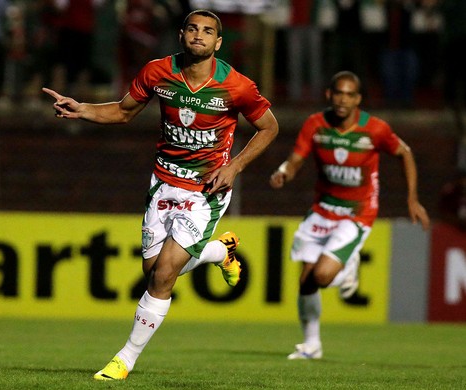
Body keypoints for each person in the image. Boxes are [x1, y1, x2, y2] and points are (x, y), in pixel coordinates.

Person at [43, 9, 278, 380]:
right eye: (193, 28)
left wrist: (234, 167)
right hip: (163, 183)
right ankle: (220, 251)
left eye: (208, 32)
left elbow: (268, 127)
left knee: (164, 274)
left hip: (206, 190)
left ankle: (124, 360)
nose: (199, 35)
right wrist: (83, 109)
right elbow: (123, 113)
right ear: (182, 34)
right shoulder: (158, 72)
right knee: (153, 271)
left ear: (218, 42)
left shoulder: (237, 86)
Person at [269, 70, 429, 360]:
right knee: (306, 282)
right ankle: (312, 345)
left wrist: (412, 198)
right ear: (329, 95)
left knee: (322, 275)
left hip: (357, 212)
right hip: (322, 210)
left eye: (349, 94)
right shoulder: (316, 124)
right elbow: (297, 158)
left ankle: (348, 264)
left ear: (358, 99)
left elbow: (404, 152)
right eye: (338, 93)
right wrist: (284, 171)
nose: (343, 99)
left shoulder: (375, 129)